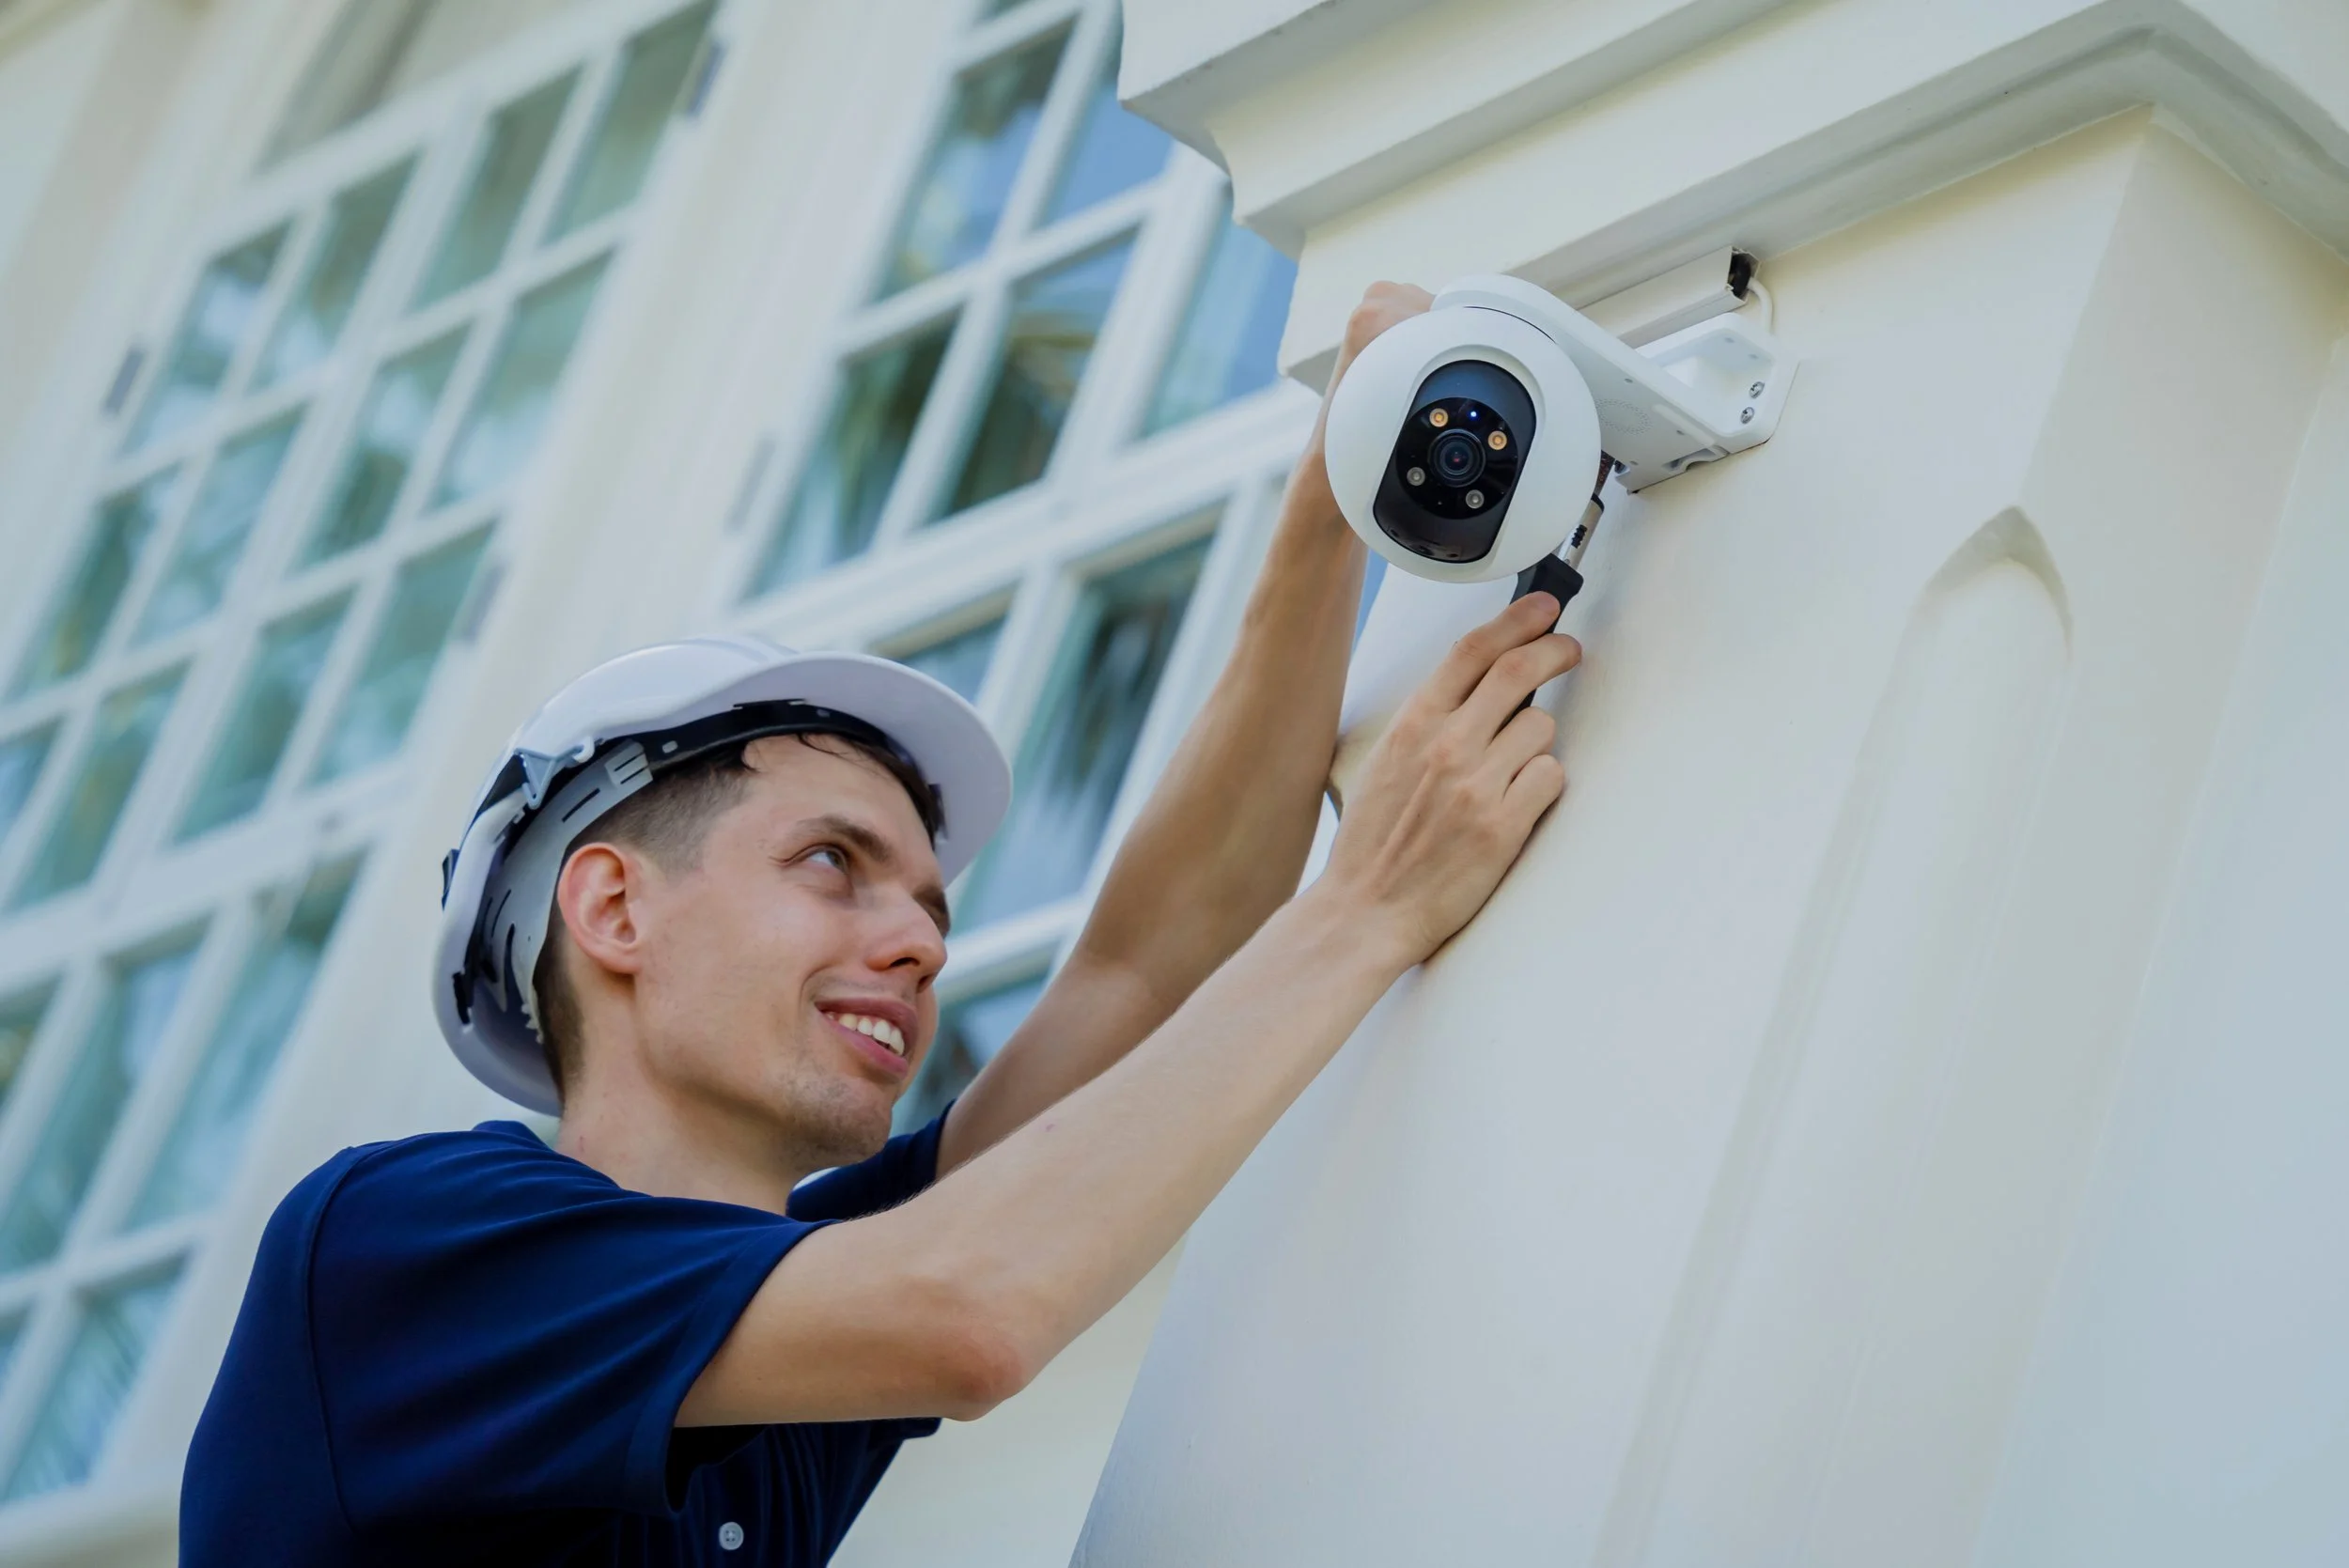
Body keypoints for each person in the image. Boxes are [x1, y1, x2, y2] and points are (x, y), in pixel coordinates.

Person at [179, 284, 1584, 1566]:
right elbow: (970, 1311)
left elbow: (1148, 972)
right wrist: (1369, 905)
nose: (919, 943)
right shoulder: (396, 1249)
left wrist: (1337, 499)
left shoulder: (786, 1360)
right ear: (612, 906)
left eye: (926, 904)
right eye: (832, 863)